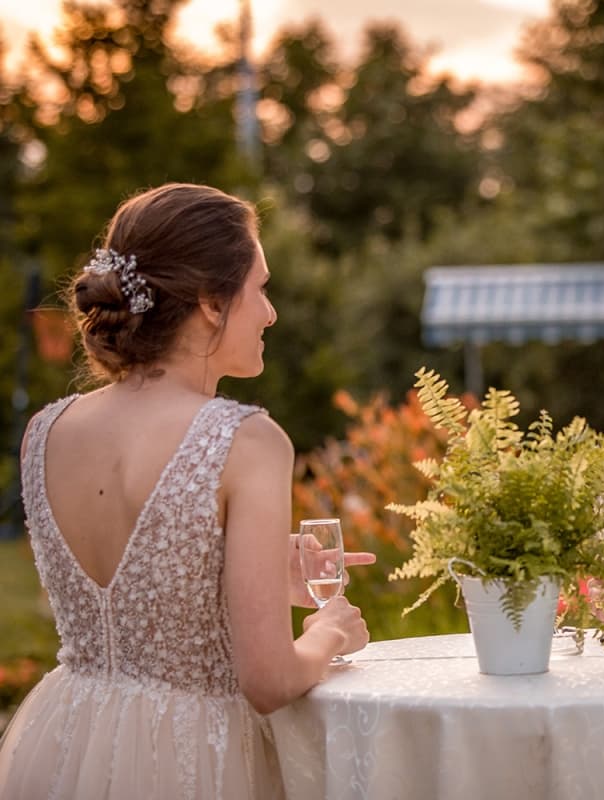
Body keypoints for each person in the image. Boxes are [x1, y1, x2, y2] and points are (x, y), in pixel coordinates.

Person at [0, 183, 374, 799]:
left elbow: (124, 609)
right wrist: (331, 630)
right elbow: (270, 680)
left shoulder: (45, 433)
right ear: (209, 300)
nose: (270, 312)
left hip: (66, 743)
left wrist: (246, 578)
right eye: (260, 288)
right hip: (191, 760)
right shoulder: (247, 440)